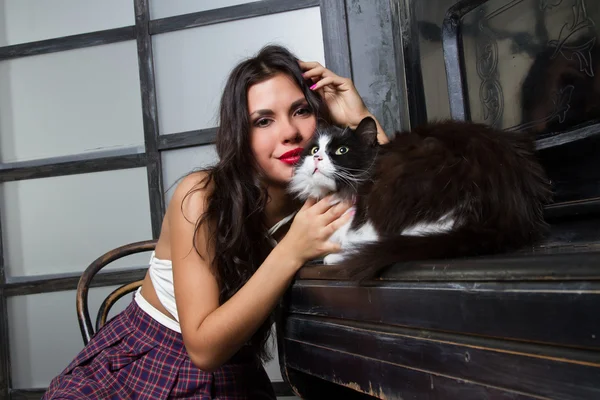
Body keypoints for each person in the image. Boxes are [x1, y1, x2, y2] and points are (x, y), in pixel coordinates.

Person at [43, 45, 389, 399]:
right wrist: (292, 250)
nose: (289, 133)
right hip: (147, 363)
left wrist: (359, 116)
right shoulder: (201, 194)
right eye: (263, 121)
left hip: (234, 376)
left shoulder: (321, 195)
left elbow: (398, 211)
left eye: (300, 111)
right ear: (241, 133)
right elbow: (204, 350)